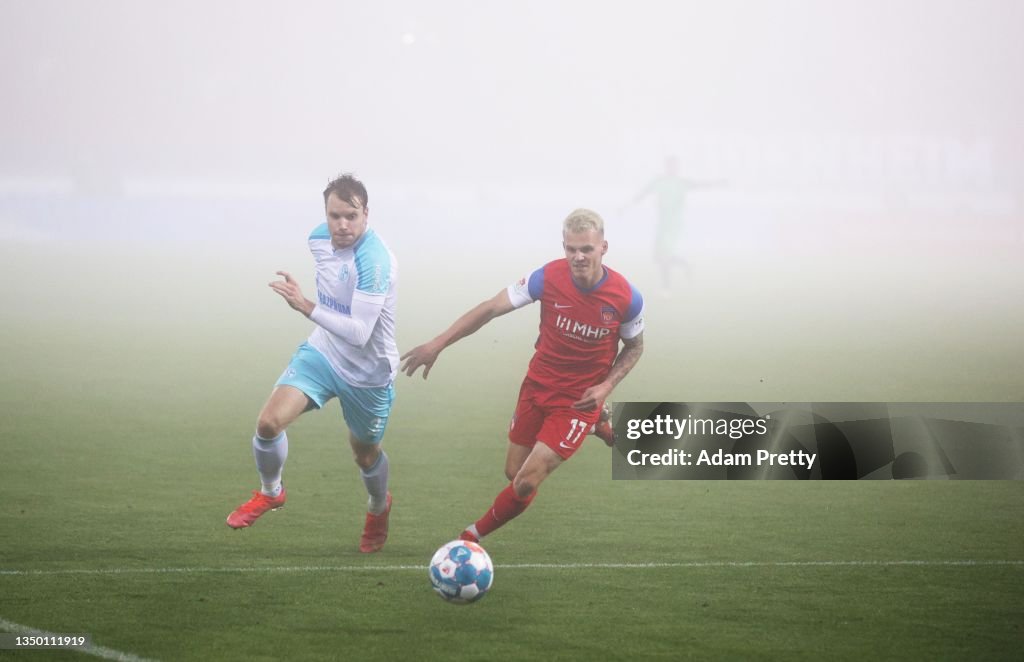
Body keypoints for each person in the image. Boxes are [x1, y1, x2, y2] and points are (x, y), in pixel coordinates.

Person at [400, 208, 644, 543]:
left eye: (586, 249)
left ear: (603, 247)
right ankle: (598, 424)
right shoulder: (546, 278)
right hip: (537, 387)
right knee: (513, 473)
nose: (578, 257)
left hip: (578, 401)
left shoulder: (626, 297)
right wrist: (438, 344)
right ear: (563, 246)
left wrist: (605, 385)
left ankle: (469, 539)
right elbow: (490, 309)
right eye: (571, 249)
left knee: (526, 481)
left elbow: (634, 348)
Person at [226, 173, 399, 553]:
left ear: (366, 214)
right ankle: (272, 492)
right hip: (323, 353)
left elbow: (359, 333)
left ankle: (377, 505)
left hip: (368, 374)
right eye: (335, 215)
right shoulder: (318, 239)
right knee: (268, 423)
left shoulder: (377, 261)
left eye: (351, 216)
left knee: (365, 453)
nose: (342, 225)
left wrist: (305, 305)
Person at [622, 156, 725, 293]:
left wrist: (719, 183)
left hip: (674, 226)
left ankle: (666, 288)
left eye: (674, 166)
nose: (672, 168)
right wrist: (625, 207)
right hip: (662, 225)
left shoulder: (681, 182)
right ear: (666, 167)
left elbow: (701, 185)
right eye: (669, 165)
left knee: (664, 256)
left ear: (677, 168)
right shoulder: (658, 181)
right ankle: (686, 265)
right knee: (658, 258)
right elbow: (642, 194)